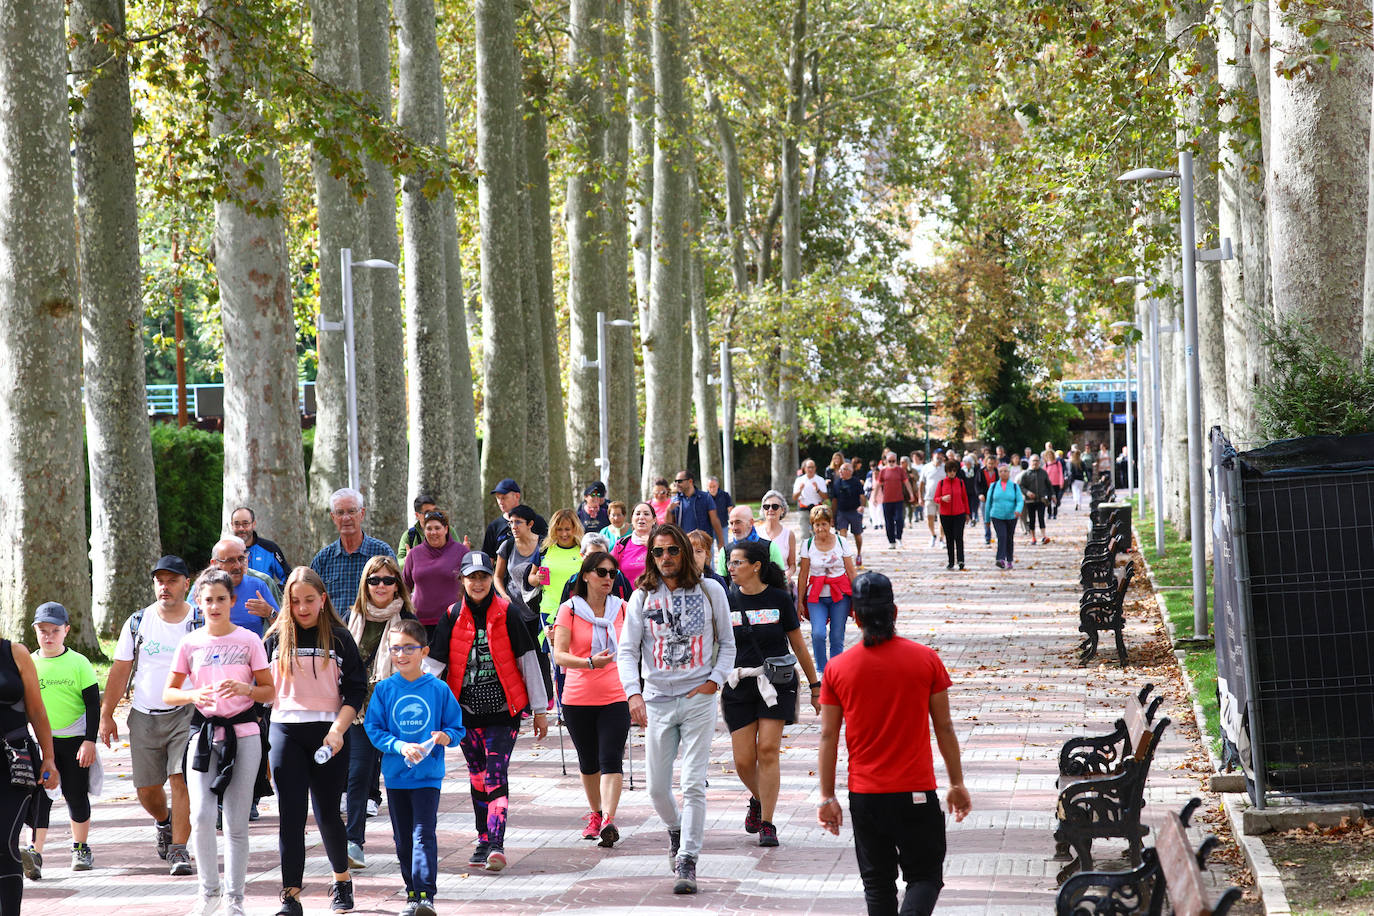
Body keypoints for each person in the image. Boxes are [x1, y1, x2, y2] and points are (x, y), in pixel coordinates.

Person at [818, 571, 971, 916]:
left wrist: (827, 797)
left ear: (854, 616)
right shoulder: (926, 659)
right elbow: (944, 727)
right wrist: (957, 783)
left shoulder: (837, 669)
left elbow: (828, 736)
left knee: (877, 883)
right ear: (895, 612)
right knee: (925, 877)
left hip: (865, 796)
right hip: (916, 792)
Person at [616, 525, 736, 895]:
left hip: (699, 698)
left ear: (684, 552)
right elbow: (627, 651)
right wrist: (633, 694)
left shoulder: (710, 590)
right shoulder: (642, 597)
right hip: (656, 700)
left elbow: (728, 644)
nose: (665, 558)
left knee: (693, 783)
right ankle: (676, 829)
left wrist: (714, 681)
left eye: (672, 551)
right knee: (656, 788)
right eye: (658, 552)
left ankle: (687, 859)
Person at [427, 552, 549, 872]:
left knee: (495, 773)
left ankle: (496, 842)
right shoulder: (452, 616)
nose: (478, 583)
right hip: (465, 713)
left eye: (483, 576)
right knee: (477, 775)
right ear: (463, 581)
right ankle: (483, 837)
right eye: (472, 577)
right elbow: (434, 664)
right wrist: (417, 701)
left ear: (489, 579)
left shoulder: (508, 613)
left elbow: (528, 660)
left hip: (502, 712)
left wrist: (539, 709)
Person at [164, 568, 275, 916]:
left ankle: (234, 898)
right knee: (201, 815)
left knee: (236, 823)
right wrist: (195, 693)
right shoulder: (190, 642)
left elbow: (270, 690)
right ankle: (208, 893)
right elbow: (169, 692)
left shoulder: (249, 640)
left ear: (233, 601)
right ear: (198, 602)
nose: (215, 606)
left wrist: (247, 690)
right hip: (203, 736)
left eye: (221, 599)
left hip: (245, 736)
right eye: (208, 599)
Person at [263, 568, 365, 916]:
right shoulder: (274, 639)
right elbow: (263, 694)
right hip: (285, 733)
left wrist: (338, 730)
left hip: (329, 735)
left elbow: (355, 690)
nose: (302, 608)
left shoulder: (339, 638)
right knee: (290, 816)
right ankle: (290, 896)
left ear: (323, 599)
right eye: (295, 601)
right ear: (286, 603)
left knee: (326, 813)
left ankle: (341, 878)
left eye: (309, 600)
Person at [99, 555, 200, 876]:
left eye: (172, 580)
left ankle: (180, 850)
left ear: (187, 583)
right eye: (160, 580)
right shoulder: (138, 622)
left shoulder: (199, 620)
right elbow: (120, 670)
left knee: (180, 777)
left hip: (186, 712)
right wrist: (107, 714)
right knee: (147, 790)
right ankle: (164, 821)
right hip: (143, 714)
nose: (165, 587)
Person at [724, 540, 821, 848]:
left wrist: (816, 685)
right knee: (742, 760)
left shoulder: (779, 599)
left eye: (738, 562)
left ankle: (767, 821)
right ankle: (757, 797)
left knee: (767, 750)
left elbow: (799, 645)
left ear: (756, 566)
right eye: (730, 562)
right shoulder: (725, 600)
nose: (732, 568)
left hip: (777, 683)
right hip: (738, 684)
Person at [365, 619, 464, 916]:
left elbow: (456, 728)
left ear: (424, 651)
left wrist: (445, 736)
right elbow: (374, 729)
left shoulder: (439, 689)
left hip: (427, 777)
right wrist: (399, 746)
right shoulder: (384, 690)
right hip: (396, 777)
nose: (402, 654)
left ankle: (426, 896)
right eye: (396, 648)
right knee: (402, 838)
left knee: (423, 834)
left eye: (409, 648)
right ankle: (412, 894)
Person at [550, 552, 630, 848]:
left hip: (616, 694)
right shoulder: (569, 610)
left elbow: (635, 647)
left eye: (612, 573)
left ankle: (608, 819)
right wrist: (590, 663)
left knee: (611, 758)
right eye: (601, 572)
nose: (608, 578)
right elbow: (559, 655)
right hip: (578, 697)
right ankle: (595, 814)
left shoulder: (623, 608)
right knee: (588, 762)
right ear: (585, 576)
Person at [343, 555, 418, 871]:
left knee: (402, 778)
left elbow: (416, 667)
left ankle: (412, 844)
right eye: (375, 580)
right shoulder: (354, 617)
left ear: (398, 584)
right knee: (358, 775)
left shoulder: (407, 620)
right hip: (361, 709)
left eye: (389, 580)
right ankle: (353, 842)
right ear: (365, 584)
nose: (382, 586)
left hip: (398, 711)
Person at [27, 603, 98, 876]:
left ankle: (80, 847)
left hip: (75, 740)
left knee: (75, 795)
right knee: (40, 797)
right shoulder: (29, 663)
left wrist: (89, 741)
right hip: (40, 742)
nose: (49, 636)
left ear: (66, 630)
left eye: (55, 631)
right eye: (43, 630)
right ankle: (35, 853)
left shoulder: (79, 663)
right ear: (35, 630)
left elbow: (93, 705)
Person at [0, 630, 57, 915]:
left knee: (5, 840)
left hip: (14, 762)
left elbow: (37, 710)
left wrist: (49, 758)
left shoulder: (15, 653)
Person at [493, 505, 555, 703]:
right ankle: (523, 700)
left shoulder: (543, 546)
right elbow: (497, 577)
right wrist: (503, 596)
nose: (513, 526)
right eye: (511, 522)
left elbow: (548, 574)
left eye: (518, 522)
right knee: (518, 655)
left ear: (530, 524)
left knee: (541, 655)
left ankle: (546, 698)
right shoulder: (507, 547)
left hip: (538, 608)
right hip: (514, 611)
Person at [311, 488, 396, 622]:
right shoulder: (322, 560)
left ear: (362, 514)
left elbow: (396, 595)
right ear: (333, 517)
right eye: (340, 512)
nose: (346, 518)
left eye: (351, 511)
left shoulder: (382, 553)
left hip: (374, 632)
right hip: (334, 636)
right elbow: (313, 601)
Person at [795, 506, 858, 674]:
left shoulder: (841, 542)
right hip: (816, 596)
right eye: (816, 525)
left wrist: (859, 597)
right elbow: (803, 575)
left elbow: (851, 571)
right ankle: (822, 670)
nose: (820, 528)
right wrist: (799, 602)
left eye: (823, 524)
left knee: (837, 635)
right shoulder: (807, 544)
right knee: (818, 634)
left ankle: (836, 671)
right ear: (812, 526)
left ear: (830, 523)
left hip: (840, 594)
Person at [402, 509, 468, 641]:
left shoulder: (461, 551)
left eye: (437, 528)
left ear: (446, 529)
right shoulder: (414, 554)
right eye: (428, 528)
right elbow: (404, 587)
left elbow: (470, 586)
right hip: (419, 623)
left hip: (454, 620)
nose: (433, 533)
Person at [208, 537, 279, 638]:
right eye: (230, 561)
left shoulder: (258, 586)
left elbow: (283, 628)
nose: (237, 566)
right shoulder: (204, 589)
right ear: (214, 563)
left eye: (241, 559)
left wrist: (270, 612)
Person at [481, 479, 548, 558]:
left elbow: (548, 546)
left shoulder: (536, 521)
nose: (500, 502)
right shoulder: (494, 526)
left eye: (504, 498)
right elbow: (489, 557)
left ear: (517, 496)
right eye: (498, 498)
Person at [716, 506, 785, 577]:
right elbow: (721, 584)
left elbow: (781, 580)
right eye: (731, 523)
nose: (734, 528)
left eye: (738, 522)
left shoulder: (770, 547)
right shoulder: (725, 551)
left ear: (751, 522)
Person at [230, 507, 289, 587]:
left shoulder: (270, 548)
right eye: (237, 524)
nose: (241, 528)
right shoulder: (225, 551)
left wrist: (273, 593)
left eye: (245, 524)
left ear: (253, 524)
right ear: (232, 525)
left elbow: (288, 577)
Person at [396, 494, 459, 563]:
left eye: (434, 511)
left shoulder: (448, 530)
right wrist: (407, 560)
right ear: (417, 515)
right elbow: (398, 563)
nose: (432, 515)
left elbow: (458, 555)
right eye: (427, 513)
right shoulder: (409, 535)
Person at [670, 470, 726, 546]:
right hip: (683, 544)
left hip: (703, 543)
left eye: (679, 481)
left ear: (690, 481)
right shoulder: (674, 500)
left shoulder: (706, 497)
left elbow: (715, 520)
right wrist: (668, 510)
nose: (677, 484)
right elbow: (670, 524)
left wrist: (721, 542)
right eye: (675, 481)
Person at [933, 460, 971, 571]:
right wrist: (942, 499)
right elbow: (935, 498)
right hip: (945, 515)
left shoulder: (960, 482)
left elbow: (965, 498)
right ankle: (950, 561)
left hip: (959, 514)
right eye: (950, 471)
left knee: (958, 537)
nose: (952, 473)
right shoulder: (941, 483)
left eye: (954, 471)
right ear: (946, 471)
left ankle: (961, 560)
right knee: (949, 538)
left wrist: (967, 513)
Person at [986, 464, 1025, 570]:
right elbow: (988, 503)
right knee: (1002, 536)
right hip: (997, 515)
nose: (1003, 473)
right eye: (1001, 471)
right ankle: (1000, 559)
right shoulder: (993, 486)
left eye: (1005, 471)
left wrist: (1018, 510)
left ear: (1009, 473)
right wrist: (987, 519)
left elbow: (1020, 500)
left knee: (1009, 538)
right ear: (998, 473)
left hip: (1011, 516)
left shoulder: (1014, 486)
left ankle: (1010, 560)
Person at [829, 461, 867, 567]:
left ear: (850, 472)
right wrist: (832, 515)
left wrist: (862, 506)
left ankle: (859, 554)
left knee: (857, 534)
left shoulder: (856, 482)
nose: (841, 471)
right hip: (842, 512)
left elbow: (862, 496)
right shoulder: (837, 483)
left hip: (854, 511)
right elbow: (834, 500)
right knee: (842, 535)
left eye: (844, 469)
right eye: (840, 469)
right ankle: (844, 556)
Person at [755, 490, 797, 584]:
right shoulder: (756, 533)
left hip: (781, 583)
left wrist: (788, 573)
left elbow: (792, 565)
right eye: (766, 507)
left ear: (782, 510)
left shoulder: (789, 534)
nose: (770, 509)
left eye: (775, 506)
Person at [611, 502, 655, 585]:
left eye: (646, 514)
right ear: (632, 519)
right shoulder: (621, 544)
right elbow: (608, 567)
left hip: (656, 596)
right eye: (637, 514)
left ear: (654, 520)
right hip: (627, 597)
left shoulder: (661, 543)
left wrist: (653, 546)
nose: (641, 517)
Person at [875, 453, 910, 549]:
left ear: (896, 460)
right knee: (888, 521)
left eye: (893, 461)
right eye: (889, 461)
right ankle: (891, 541)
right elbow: (878, 484)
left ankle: (898, 537)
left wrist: (911, 494)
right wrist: (874, 497)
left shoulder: (900, 470)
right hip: (886, 500)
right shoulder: (883, 471)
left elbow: (906, 482)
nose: (891, 463)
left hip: (899, 499)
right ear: (886, 461)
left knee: (899, 519)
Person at [791, 460, 829, 539]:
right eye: (808, 467)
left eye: (812, 467)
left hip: (817, 510)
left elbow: (825, 497)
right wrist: (800, 490)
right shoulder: (799, 480)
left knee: (817, 534)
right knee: (804, 534)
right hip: (804, 509)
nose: (810, 469)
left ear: (815, 468)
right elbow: (794, 497)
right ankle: (804, 550)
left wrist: (818, 490)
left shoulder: (820, 480)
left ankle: (818, 550)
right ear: (805, 468)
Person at [1020, 454, 1053, 545]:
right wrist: (1027, 493)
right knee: (1032, 519)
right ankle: (1033, 537)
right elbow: (1021, 486)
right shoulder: (1026, 474)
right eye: (1033, 461)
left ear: (1039, 462)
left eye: (1037, 461)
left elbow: (1049, 485)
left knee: (1041, 517)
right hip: (1030, 501)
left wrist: (1053, 495)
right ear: (1030, 462)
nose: (1035, 463)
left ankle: (1043, 536)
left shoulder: (1043, 472)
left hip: (1041, 499)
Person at [919, 451, 944, 548]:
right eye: (938, 456)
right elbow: (921, 483)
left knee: (943, 519)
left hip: (942, 498)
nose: (939, 458)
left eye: (941, 456)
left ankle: (942, 539)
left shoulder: (945, 467)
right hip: (929, 497)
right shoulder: (926, 467)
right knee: (930, 518)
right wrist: (920, 497)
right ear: (933, 456)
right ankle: (933, 535)